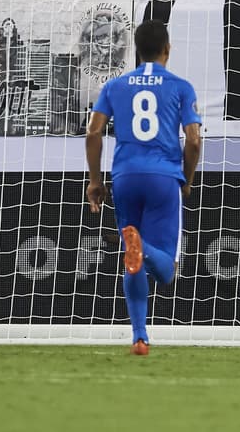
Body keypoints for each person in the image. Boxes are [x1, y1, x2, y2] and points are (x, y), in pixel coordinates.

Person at [85, 20, 203, 356]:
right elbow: (193, 140)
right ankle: (143, 248)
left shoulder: (115, 86)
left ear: (136, 51)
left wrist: (95, 181)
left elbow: (93, 133)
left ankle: (140, 336)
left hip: (125, 177)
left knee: (131, 261)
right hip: (163, 176)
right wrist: (187, 179)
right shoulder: (180, 86)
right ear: (168, 48)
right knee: (166, 270)